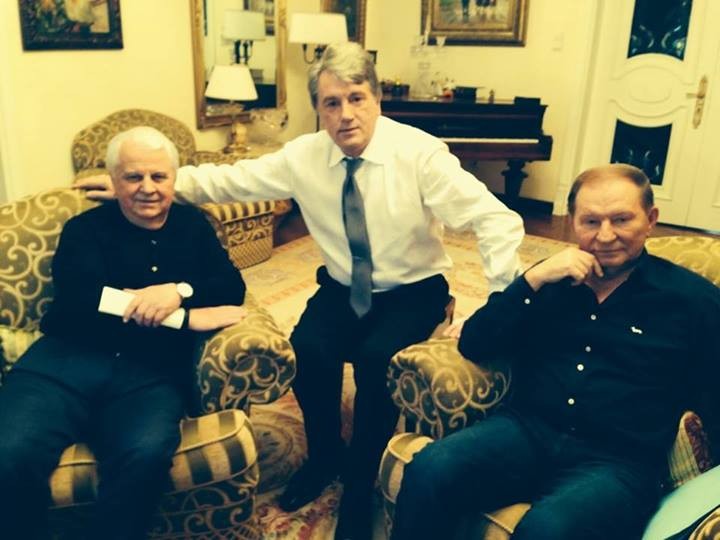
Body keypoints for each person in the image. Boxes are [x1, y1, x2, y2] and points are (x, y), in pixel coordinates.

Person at [75, 42, 524, 539]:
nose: (346, 114)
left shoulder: (420, 155)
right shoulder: (303, 156)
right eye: (331, 103)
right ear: (318, 110)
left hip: (412, 288)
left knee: (377, 359)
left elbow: (496, 219)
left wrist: (499, 302)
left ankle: (360, 481)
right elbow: (229, 181)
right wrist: (148, 185)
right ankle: (325, 455)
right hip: (341, 286)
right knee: (307, 350)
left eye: (356, 98)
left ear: (376, 99)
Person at [391, 163, 720, 540]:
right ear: (572, 222)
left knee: (547, 530)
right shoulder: (550, 282)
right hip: (526, 432)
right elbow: (475, 343)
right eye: (591, 221)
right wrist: (532, 279)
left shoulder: (692, 301)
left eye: (621, 219)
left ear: (650, 219)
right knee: (430, 469)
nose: (606, 235)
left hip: (617, 462)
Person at [0, 126, 248, 540]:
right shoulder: (83, 228)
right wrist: (184, 318)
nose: (147, 188)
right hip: (62, 366)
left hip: (150, 373)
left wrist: (178, 291)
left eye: (158, 176)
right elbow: (83, 298)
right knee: (8, 452)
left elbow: (230, 286)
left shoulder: (194, 226)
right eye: (133, 177)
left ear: (174, 178)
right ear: (114, 181)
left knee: (145, 455)